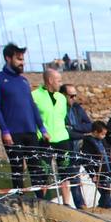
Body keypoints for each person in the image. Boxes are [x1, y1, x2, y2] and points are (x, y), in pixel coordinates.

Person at [0, 43, 47, 193]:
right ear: (8, 58)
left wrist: (42, 128)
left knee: (36, 167)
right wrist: (4, 130)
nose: (22, 63)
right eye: (19, 59)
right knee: (17, 168)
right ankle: (20, 200)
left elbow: (31, 105)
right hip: (13, 133)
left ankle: (41, 200)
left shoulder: (24, 81)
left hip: (30, 131)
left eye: (23, 59)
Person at [31, 63, 76, 207]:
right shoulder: (35, 96)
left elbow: (62, 116)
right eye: (58, 80)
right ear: (50, 80)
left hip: (62, 138)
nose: (60, 83)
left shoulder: (62, 98)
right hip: (44, 139)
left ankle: (67, 203)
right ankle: (41, 202)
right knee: (43, 172)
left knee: (65, 172)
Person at [62, 82, 93, 209]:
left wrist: (75, 128)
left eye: (75, 95)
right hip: (65, 145)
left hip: (79, 145)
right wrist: (79, 132)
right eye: (71, 96)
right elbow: (64, 131)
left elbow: (89, 125)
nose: (74, 98)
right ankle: (71, 204)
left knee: (77, 174)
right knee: (66, 175)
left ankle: (81, 203)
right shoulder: (59, 109)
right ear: (63, 95)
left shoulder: (77, 108)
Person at [81, 121, 111, 209]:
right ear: (95, 132)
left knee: (107, 190)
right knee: (104, 191)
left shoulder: (102, 141)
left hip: (106, 169)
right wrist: (92, 173)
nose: (104, 136)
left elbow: (107, 151)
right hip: (97, 171)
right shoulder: (88, 143)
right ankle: (108, 204)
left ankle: (106, 204)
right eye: (102, 134)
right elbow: (87, 160)